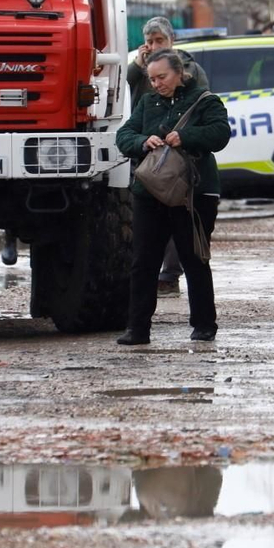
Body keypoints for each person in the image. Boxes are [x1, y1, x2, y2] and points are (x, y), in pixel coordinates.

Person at [115, 50, 231, 345]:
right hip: (150, 191)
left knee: (194, 259)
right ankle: (137, 329)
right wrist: (143, 141)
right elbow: (123, 135)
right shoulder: (147, 102)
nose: (156, 84)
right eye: (152, 79)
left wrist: (187, 136)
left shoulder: (205, 100)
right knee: (144, 261)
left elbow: (220, 134)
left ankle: (204, 325)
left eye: (162, 77)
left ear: (180, 72)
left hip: (193, 193)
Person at [125, 17, 208, 297]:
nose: (154, 46)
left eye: (160, 41)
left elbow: (203, 105)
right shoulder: (141, 70)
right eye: (149, 41)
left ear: (172, 41)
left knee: (180, 215)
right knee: (149, 222)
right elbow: (127, 94)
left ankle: (171, 273)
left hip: (178, 156)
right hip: (149, 155)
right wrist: (139, 65)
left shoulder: (189, 68)